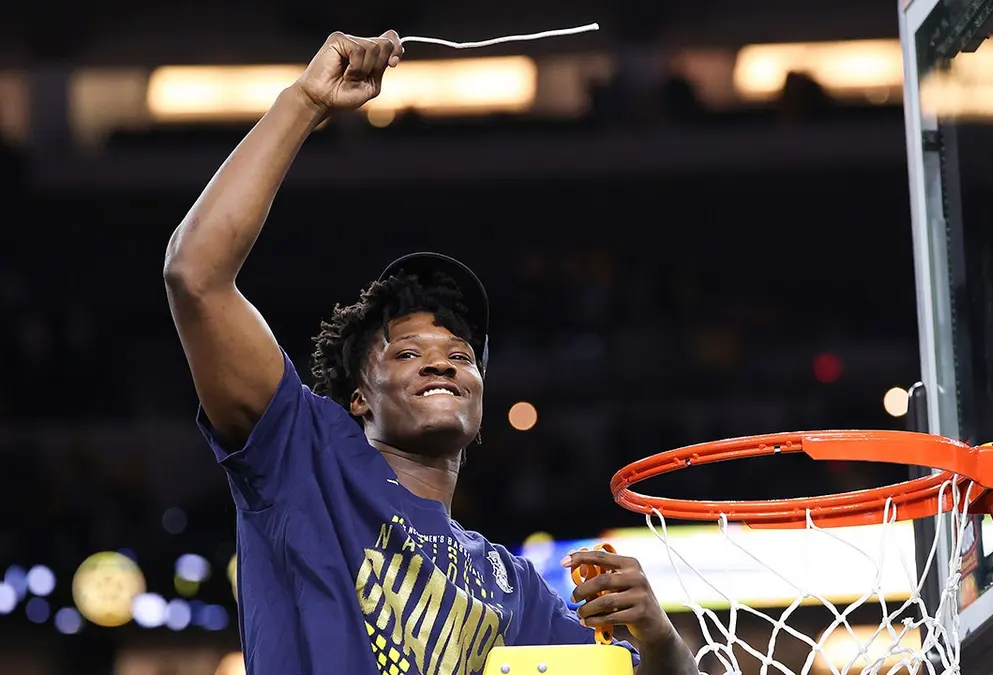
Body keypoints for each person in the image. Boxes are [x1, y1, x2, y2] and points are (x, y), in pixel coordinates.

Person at [163, 29, 698, 675]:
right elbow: (195, 275)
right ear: (359, 398)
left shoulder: (514, 588)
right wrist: (304, 102)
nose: (442, 361)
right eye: (408, 353)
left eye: (461, 355)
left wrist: (661, 640)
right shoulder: (304, 454)